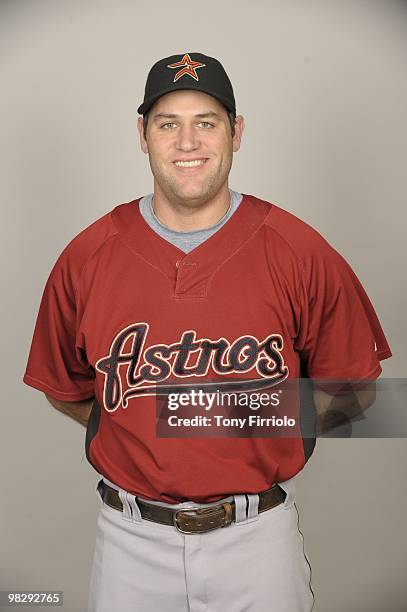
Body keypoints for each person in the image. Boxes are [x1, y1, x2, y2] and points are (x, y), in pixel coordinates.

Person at [23, 52, 392, 612]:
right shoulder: (86, 256)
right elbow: (62, 385)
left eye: (207, 122)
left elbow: (357, 387)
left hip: (258, 539)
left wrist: (246, 420)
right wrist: (134, 424)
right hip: (129, 540)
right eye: (168, 123)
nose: (187, 141)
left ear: (236, 132)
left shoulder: (300, 250)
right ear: (142, 135)